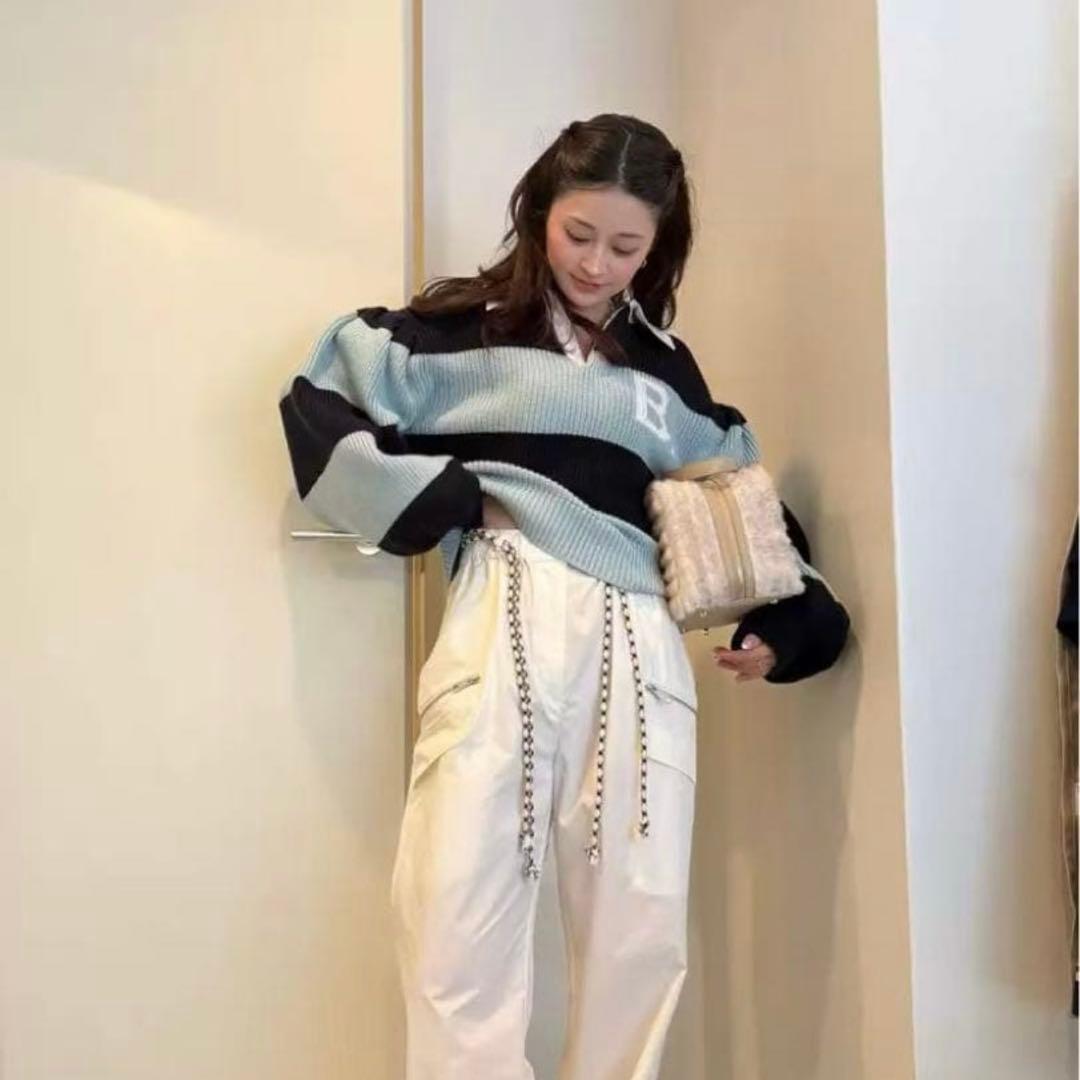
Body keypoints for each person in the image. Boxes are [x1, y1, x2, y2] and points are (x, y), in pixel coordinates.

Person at [277, 113, 850, 1079]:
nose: (595, 264)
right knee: (455, 921)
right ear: (540, 209)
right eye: (578, 233)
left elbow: (740, 502)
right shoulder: (458, 334)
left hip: (639, 636)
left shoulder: (665, 371)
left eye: (626, 247)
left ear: (658, 247)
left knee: (639, 937)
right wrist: (443, 501)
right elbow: (321, 393)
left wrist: (791, 624)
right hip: (504, 606)